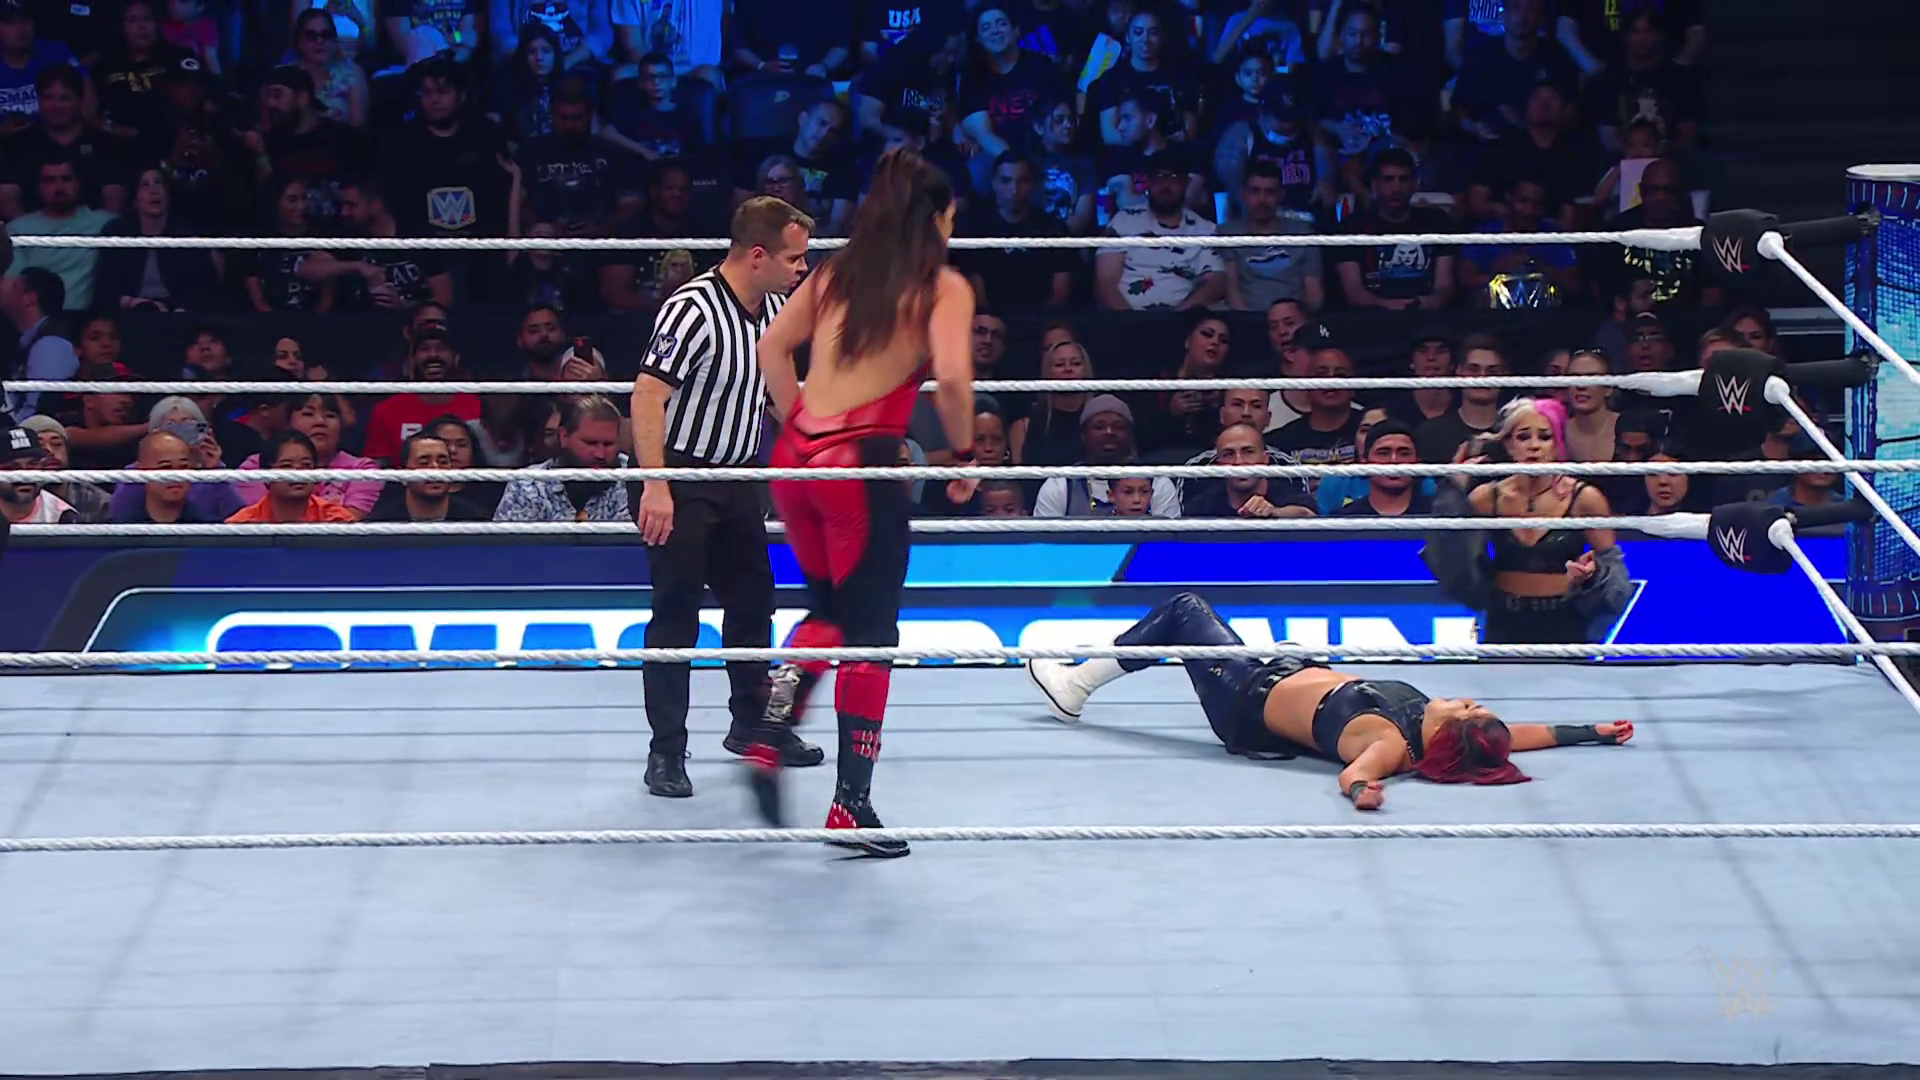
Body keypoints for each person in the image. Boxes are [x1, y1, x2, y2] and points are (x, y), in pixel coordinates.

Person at [748, 148, 976, 858]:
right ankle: (850, 806)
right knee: (871, 633)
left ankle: (772, 722)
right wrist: (965, 454)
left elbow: (771, 350)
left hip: (797, 459)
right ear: (934, 218)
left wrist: (800, 427)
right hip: (860, 467)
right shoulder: (940, 286)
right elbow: (954, 379)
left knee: (832, 613)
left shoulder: (834, 271)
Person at [1027, 593, 1634, 811]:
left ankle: (1073, 690)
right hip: (1279, 673)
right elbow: (1522, 736)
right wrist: (1592, 731)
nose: (1470, 700)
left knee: (1185, 613)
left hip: (1242, 701)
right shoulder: (1442, 731)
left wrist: (1365, 792)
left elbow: (1356, 774)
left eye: (1470, 712)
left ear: (1449, 737)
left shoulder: (1389, 744)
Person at [629, 195, 820, 800]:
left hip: (739, 476)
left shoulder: (776, 310)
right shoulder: (692, 309)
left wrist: (825, 454)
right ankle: (665, 752)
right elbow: (646, 395)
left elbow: (779, 399)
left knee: (753, 603)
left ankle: (751, 726)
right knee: (676, 615)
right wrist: (656, 483)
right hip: (681, 475)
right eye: (794, 257)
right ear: (757, 255)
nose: (803, 268)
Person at [1424, 397, 1632, 644]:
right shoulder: (1488, 497)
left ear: (1557, 445)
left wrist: (1591, 577)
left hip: (1564, 620)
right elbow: (1449, 551)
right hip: (1503, 619)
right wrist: (1455, 484)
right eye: (1523, 437)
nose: (1534, 446)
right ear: (1509, 445)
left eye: (1545, 437)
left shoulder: (1584, 499)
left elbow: (1615, 573)